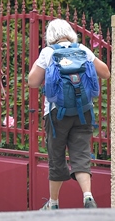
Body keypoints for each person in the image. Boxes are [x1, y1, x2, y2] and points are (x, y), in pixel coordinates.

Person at [27, 18, 110, 210]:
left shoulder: (48, 52)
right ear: (70, 32)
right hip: (84, 111)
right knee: (81, 155)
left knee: (56, 157)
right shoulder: (82, 49)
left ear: (50, 35)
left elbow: (32, 81)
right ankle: (88, 196)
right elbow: (105, 72)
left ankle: (53, 203)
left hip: (57, 114)